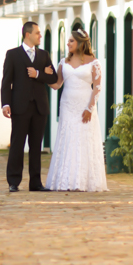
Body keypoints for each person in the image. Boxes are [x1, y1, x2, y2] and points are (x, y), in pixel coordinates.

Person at [45, 28, 108, 192]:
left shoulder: (94, 62)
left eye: (71, 41)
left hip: (84, 106)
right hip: (67, 106)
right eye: (68, 41)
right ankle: (65, 181)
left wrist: (90, 108)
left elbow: (97, 87)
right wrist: (43, 76)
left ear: (80, 43)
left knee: (83, 139)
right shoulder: (63, 62)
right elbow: (57, 84)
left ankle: (83, 181)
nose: (68, 43)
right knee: (68, 139)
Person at [1, 21, 58, 192]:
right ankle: (13, 181)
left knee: (36, 146)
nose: (40, 36)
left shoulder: (44, 55)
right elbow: (6, 82)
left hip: (40, 108)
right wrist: (5, 104)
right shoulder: (13, 55)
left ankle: (35, 183)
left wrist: (38, 74)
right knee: (17, 144)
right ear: (28, 34)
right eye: (37, 33)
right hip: (19, 107)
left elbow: (53, 78)